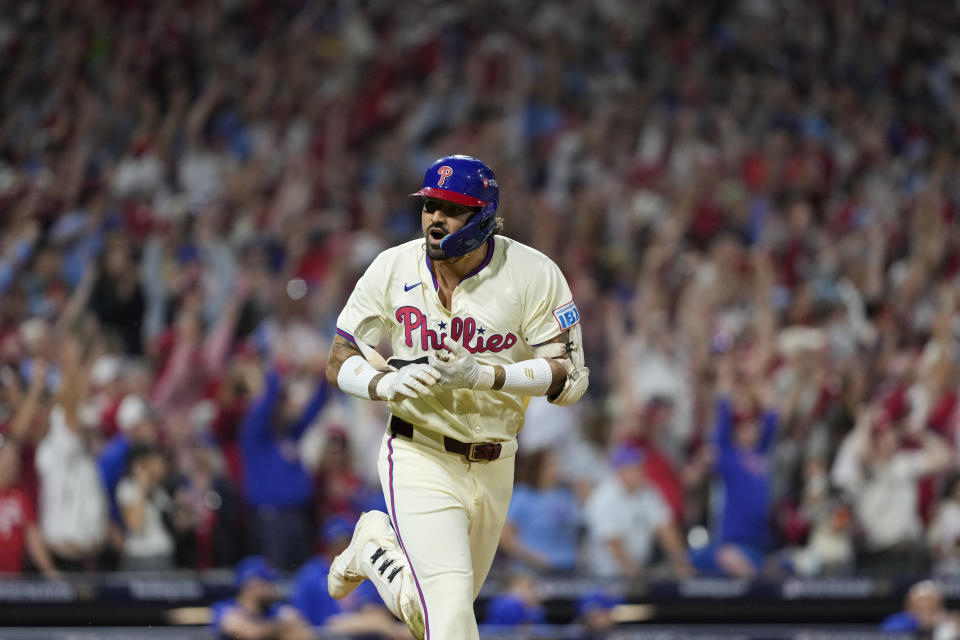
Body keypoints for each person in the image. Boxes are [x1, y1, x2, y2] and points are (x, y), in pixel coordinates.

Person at [323, 155, 590, 640]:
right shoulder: (393, 266)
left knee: (438, 617)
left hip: (495, 461)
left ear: (485, 216)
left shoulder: (532, 273)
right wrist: (383, 383)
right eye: (429, 206)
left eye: (451, 208)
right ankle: (378, 549)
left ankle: (374, 549)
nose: (434, 218)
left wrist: (485, 375)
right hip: (417, 449)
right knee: (448, 611)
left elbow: (570, 379)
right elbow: (339, 358)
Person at [582, 444, 691, 578]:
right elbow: (613, 542)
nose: (641, 471)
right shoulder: (604, 498)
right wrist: (632, 571)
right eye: (635, 468)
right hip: (604, 576)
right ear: (621, 470)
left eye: (641, 467)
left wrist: (681, 561)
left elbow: (665, 528)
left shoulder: (648, 491)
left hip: (637, 571)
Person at [211, 556, 314, 640]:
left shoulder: (275, 610)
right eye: (267, 581)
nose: (272, 587)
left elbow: (304, 634)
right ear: (251, 584)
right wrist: (283, 627)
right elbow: (250, 633)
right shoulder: (225, 608)